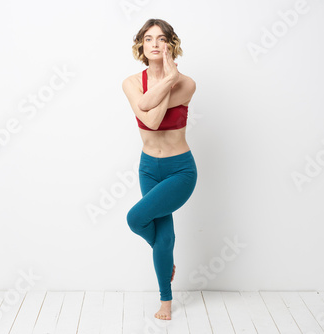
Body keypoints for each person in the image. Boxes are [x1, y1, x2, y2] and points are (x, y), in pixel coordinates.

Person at [121, 18, 197, 321]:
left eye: (161, 39)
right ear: (141, 44)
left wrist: (168, 81)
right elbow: (149, 119)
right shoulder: (130, 82)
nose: (155, 44)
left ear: (171, 44)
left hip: (180, 170)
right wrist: (168, 78)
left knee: (136, 218)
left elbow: (151, 115)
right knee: (163, 240)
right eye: (148, 38)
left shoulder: (188, 84)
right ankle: (166, 279)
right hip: (148, 168)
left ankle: (165, 288)